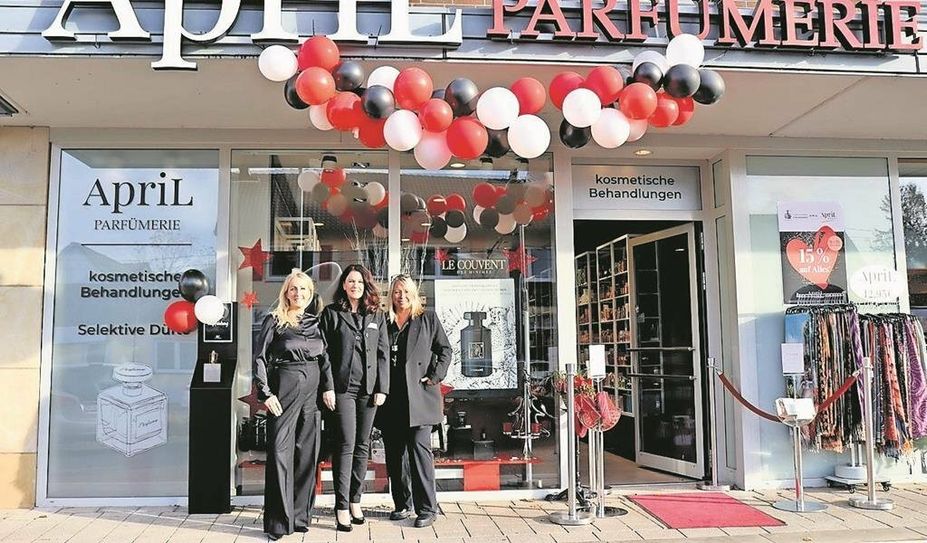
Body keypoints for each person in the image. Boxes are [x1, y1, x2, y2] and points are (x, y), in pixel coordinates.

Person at [253, 269, 336, 541]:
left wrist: (329, 388)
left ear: (310, 293)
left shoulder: (316, 322)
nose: (298, 294)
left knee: (306, 454)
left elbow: (325, 360)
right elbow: (260, 359)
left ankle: (300, 517)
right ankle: (279, 521)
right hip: (285, 387)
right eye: (293, 289)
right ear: (286, 293)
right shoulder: (274, 320)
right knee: (280, 452)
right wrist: (265, 393)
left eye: (303, 289)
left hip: (312, 392)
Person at [319, 264, 390, 531]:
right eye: (350, 281)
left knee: (362, 445)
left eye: (359, 282)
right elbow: (323, 354)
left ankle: (355, 501)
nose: (355, 286)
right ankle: (340, 505)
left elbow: (383, 354)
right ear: (344, 285)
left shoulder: (376, 315)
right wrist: (327, 386)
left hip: (369, 391)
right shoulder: (332, 314)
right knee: (346, 444)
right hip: (342, 390)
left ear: (366, 285)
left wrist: (382, 388)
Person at [378, 274, 452, 528]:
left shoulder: (427, 318)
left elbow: (445, 350)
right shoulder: (384, 322)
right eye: (396, 292)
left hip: (419, 396)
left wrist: (434, 376)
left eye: (405, 291)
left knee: (420, 453)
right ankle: (401, 504)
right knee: (395, 456)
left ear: (413, 293)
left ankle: (427, 509)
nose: (401, 296)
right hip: (391, 398)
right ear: (391, 295)